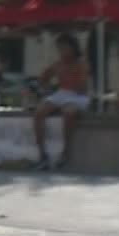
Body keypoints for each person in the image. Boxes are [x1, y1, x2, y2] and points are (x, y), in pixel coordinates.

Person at [33, 33, 90, 170]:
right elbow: (43, 78)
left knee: (68, 113)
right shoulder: (58, 64)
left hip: (77, 96)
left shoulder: (81, 64)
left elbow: (82, 87)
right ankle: (42, 155)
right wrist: (48, 88)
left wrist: (69, 77)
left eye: (65, 48)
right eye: (60, 48)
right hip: (61, 93)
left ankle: (66, 152)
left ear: (73, 48)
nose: (62, 51)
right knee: (39, 113)